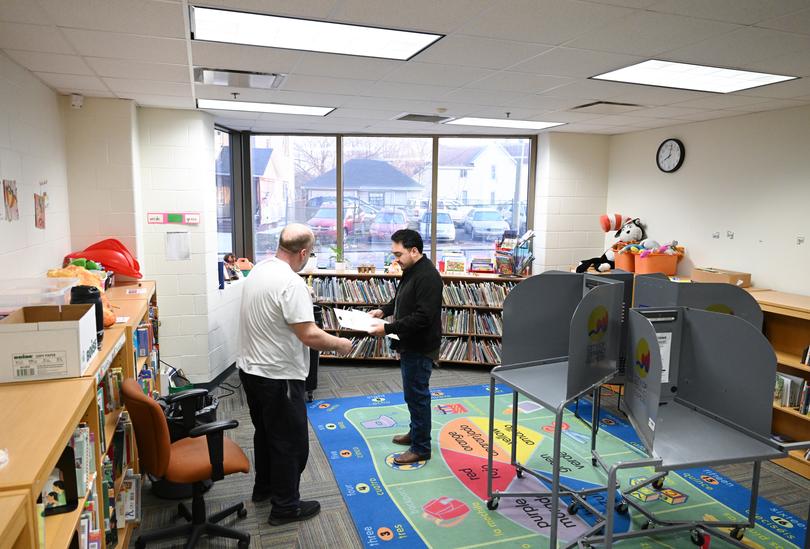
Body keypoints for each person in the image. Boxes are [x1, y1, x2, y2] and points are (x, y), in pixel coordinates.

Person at [237, 223, 353, 525]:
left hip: (250, 370)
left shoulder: (260, 269)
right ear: (303, 252)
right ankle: (286, 507)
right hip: (279, 376)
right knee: (290, 443)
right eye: (310, 254)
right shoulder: (292, 283)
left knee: (265, 434)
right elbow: (309, 334)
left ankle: (264, 489)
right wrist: (340, 344)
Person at [368, 229, 443, 464]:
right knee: (412, 394)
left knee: (418, 395)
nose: (395, 259)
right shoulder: (411, 270)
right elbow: (402, 297)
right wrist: (384, 310)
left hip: (420, 346)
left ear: (414, 250)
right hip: (409, 343)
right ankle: (415, 433)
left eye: (398, 253)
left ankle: (421, 448)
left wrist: (388, 329)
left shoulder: (428, 276)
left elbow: (423, 316)